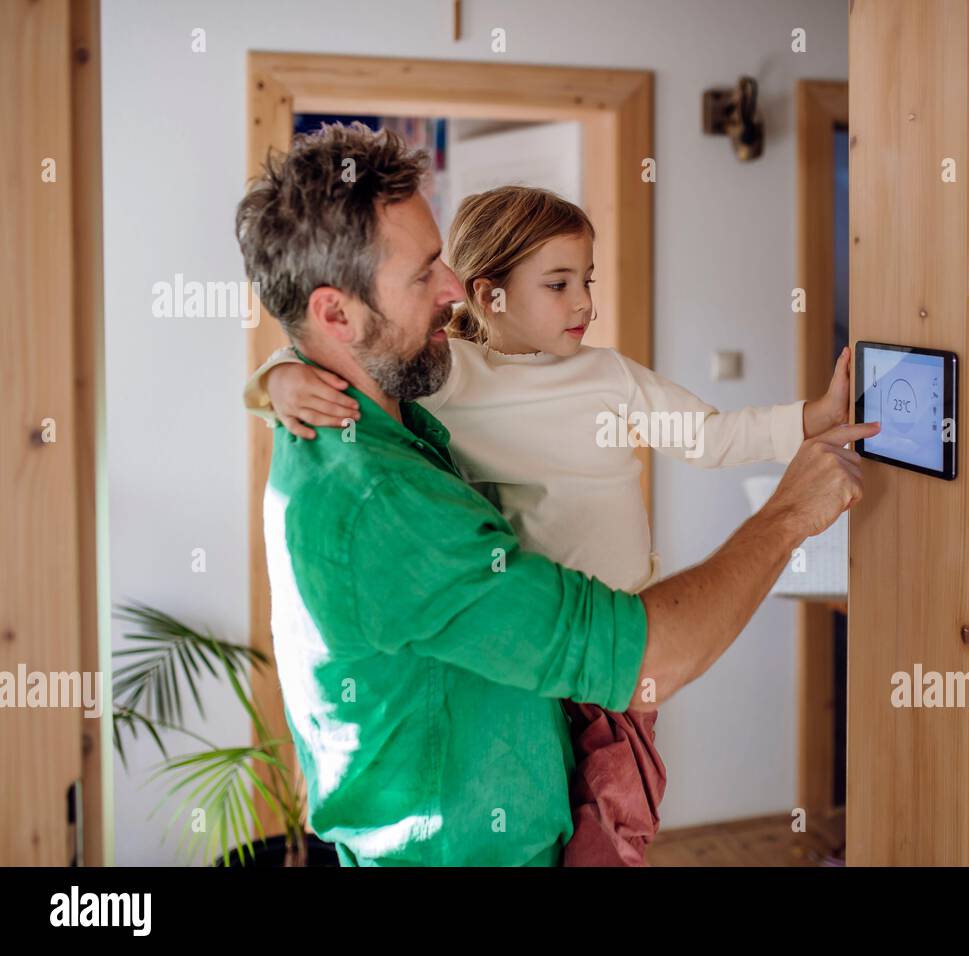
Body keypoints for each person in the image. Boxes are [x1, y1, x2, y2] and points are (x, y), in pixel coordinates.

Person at [234, 121, 879, 866]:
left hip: (569, 713)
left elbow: (713, 435)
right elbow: (644, 657)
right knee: (614, 832)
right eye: (424, 274)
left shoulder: (392, 404)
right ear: (335, 315)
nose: (452, 290)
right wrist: (793, 513)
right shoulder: (404, 451)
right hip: (495, 809)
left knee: (616, 810)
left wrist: (810, 422)